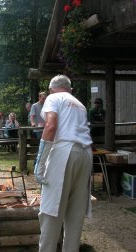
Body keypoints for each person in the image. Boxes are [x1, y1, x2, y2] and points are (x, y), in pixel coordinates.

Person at [34, 75, 92, 252]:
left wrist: (40, 162)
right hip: (86, 155)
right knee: (75, 213)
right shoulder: (79, 104)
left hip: (64, 152)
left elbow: (50, 126)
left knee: (51, 210)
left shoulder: (53, 97)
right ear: (69, 88)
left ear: (52, 89)